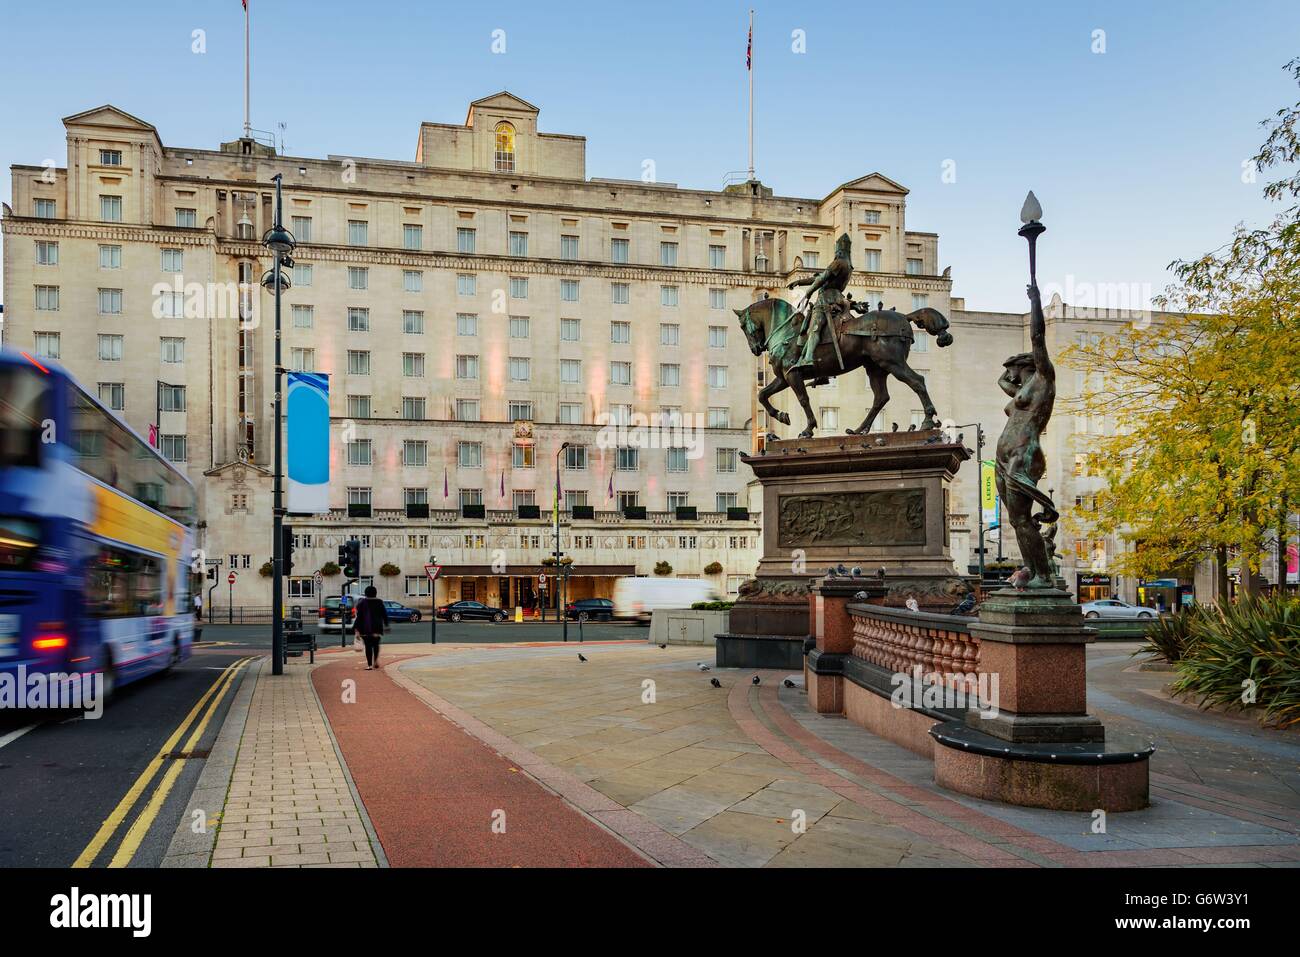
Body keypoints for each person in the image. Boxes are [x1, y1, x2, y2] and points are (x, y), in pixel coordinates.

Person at [353, 585, 389, 670]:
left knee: (368, 647)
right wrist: (386, 625)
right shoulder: (379, 602)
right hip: (377, 628)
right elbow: (384, 614)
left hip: (365, 628)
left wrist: (356, 628)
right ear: (375, 593)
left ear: (366, 593)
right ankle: (375, 660)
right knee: (376, 645)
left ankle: (369, 665)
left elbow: (359, 617)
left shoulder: (362, 602)